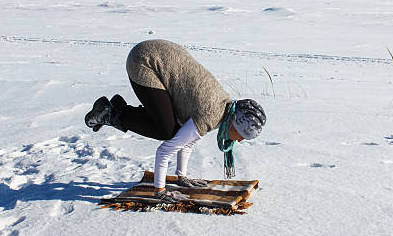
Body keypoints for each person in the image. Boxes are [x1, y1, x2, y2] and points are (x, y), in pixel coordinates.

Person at [84, 39, 266, 203]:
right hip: (145, 61)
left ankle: (121, 110)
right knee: (166, 131)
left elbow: (187, 142)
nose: (240, 141)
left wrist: (182, 177)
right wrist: (160, 190)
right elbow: (166, 150)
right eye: (242, 135)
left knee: (172, 128)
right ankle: (110, 114)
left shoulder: (222, 108)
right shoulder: (212, 114)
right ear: (235, 123)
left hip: (161, 57)